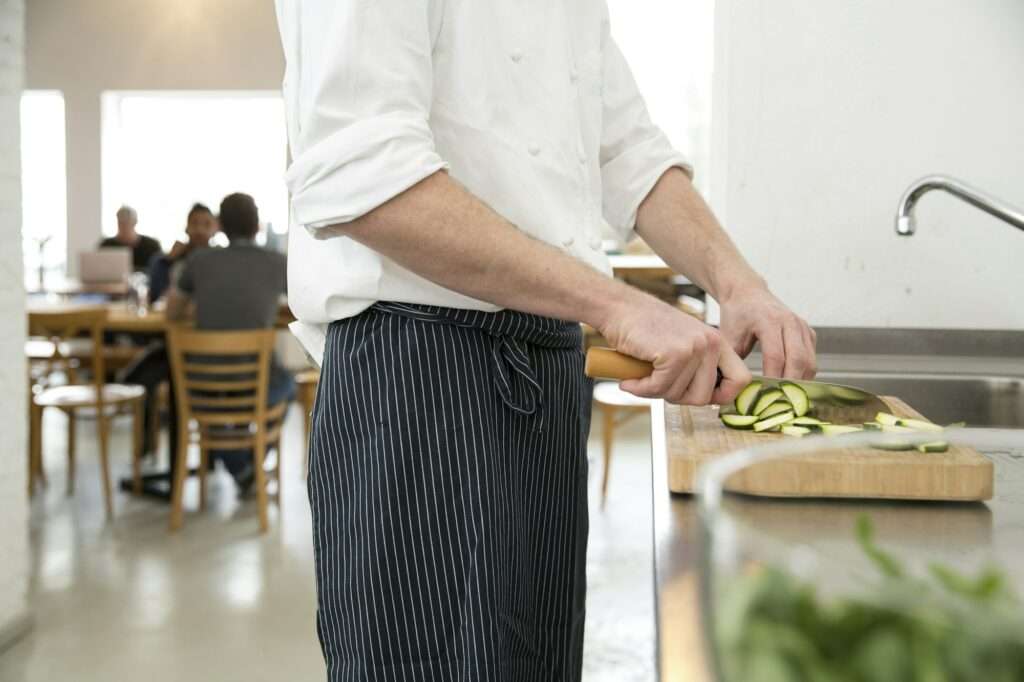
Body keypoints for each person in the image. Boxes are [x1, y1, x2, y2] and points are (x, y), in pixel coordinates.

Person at [275, 3, 818, 680]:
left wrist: (739, 283)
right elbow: (359, 173)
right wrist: (616, 305)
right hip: (420, 376)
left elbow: (628, 150)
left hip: (547, 362)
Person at [166, 193, 292, 490]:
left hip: (204, 386)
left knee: (215, 408)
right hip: (257, 382)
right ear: (257, 225)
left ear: (220, 225)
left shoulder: (198, 261)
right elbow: (305, 304)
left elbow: (172, 313)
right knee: (287, 386)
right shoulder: (277, 262)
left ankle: (239, 464)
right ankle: (247, 462)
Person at [147, 203, 218, 303]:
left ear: (215, 229)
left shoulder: (221, 260)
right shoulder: (167, 260)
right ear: (186, 228)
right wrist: (167, 262)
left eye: (206, 224)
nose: (200, 230)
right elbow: (154, 296)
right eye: (194, 223)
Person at [99, 206, 162, 271]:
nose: (124, 225)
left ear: (135, 222)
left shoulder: (152, 245)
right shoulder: (106, 246)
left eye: (127, 221)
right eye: (121, 222)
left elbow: (159, 270)